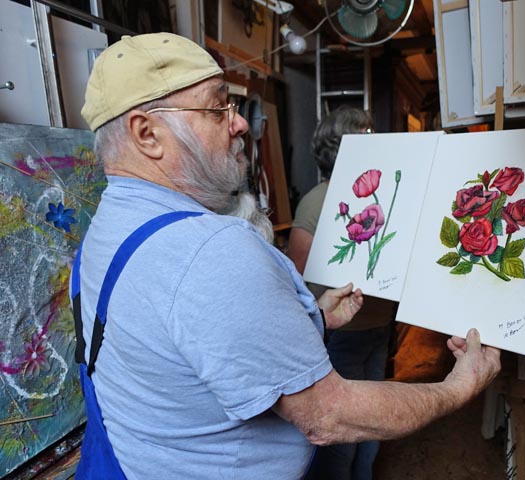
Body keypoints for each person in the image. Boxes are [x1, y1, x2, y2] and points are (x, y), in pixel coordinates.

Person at [72, 32, 501, 480]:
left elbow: (191, 345)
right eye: (218, 107)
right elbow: (329, 414)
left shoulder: (105, 230)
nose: (239, 124)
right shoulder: (209, 251)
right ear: (148, 134)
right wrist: (458, 388)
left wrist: (314, 316)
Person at [288, 107, 397, 480]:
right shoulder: (318, 203)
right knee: (345, 432)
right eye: (365, 136)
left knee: (369, 426)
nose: (373, 143)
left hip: (377, 327)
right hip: (341, 333)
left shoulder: (380, 197)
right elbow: (299, 282)